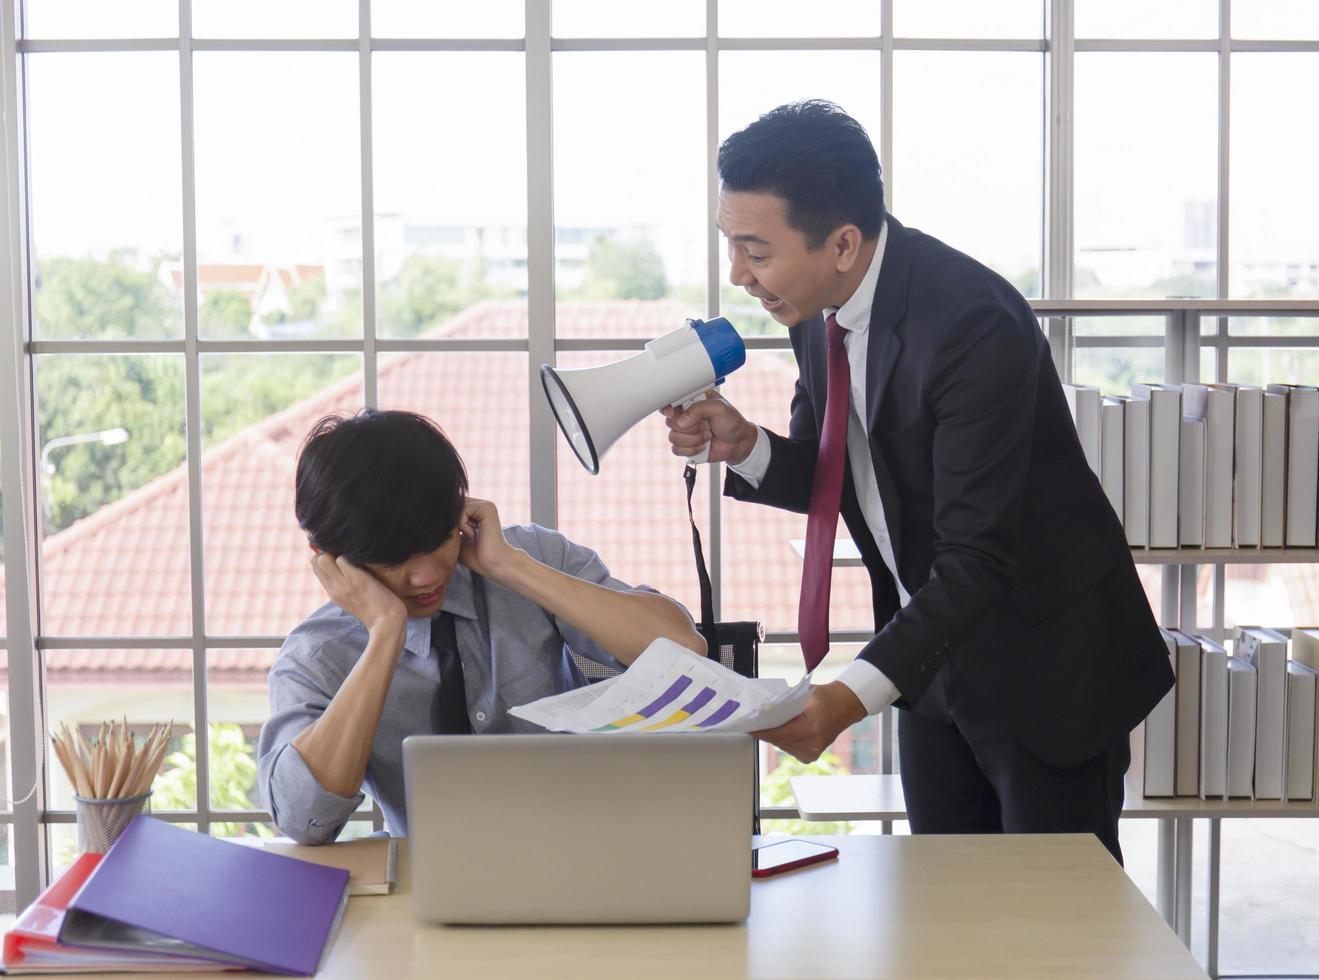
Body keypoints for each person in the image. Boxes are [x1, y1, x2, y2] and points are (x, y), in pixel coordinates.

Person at [663, 100, 1172, 861]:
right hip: (932, 668)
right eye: (730, 247)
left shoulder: (972, 323)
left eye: (755, 251)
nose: (739, 276)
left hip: (1045, 670)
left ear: (841, 242)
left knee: (1056, 926)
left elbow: (978, 558)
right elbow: (837, 475)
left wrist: (847, 697)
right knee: (948, 911)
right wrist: (746, 448)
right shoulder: (813, 308)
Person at [258, 409, 704, 844]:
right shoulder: (317, 653)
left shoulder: (527, 557)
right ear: (326, 557)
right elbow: (302, 820)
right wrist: (384, 634)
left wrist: (508, 566)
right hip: (429, 893)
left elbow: (684, 650)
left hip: (587, 853)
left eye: (437, 541)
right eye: (392, 560)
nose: (426, 576)